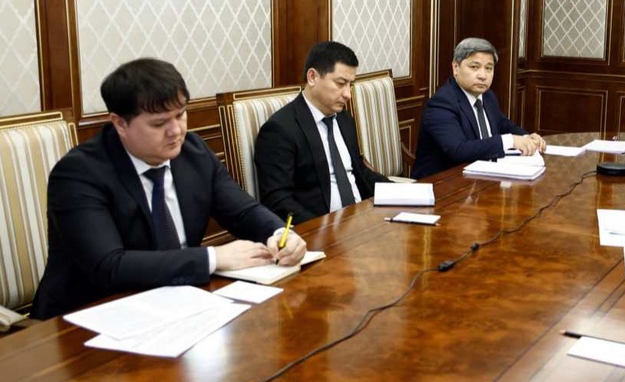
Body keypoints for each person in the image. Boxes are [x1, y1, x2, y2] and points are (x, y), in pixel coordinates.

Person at [32, 58, 307, 319]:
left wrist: (279, 233)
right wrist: (213, 258)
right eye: (159, 123)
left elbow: (243, 212)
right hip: (89, 316)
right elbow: (109, 266)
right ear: (120, 123)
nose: (176, 131)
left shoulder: (193, 152)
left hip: (180, 303)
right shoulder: (79, 174)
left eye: (180, 115)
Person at [255, 41, 388, 225]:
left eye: (350, 85)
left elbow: (359, 170)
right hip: (321, 229)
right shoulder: (280, 130)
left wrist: (403, 193)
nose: (348, 94)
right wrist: (323, 230)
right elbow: (277, 201)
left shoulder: (344, 119)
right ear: (313, 77)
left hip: (363, 218)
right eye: (340, 83)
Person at [412, 38, 546, 179]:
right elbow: (458, 150)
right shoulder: (441, 103)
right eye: (474, 67)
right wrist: (511, 140)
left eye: (488, 68)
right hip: (442, 183)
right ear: (456, 67)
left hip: (482, 177)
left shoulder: (488, 96)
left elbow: (502, 124)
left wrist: (526, 138)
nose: (483, 76)